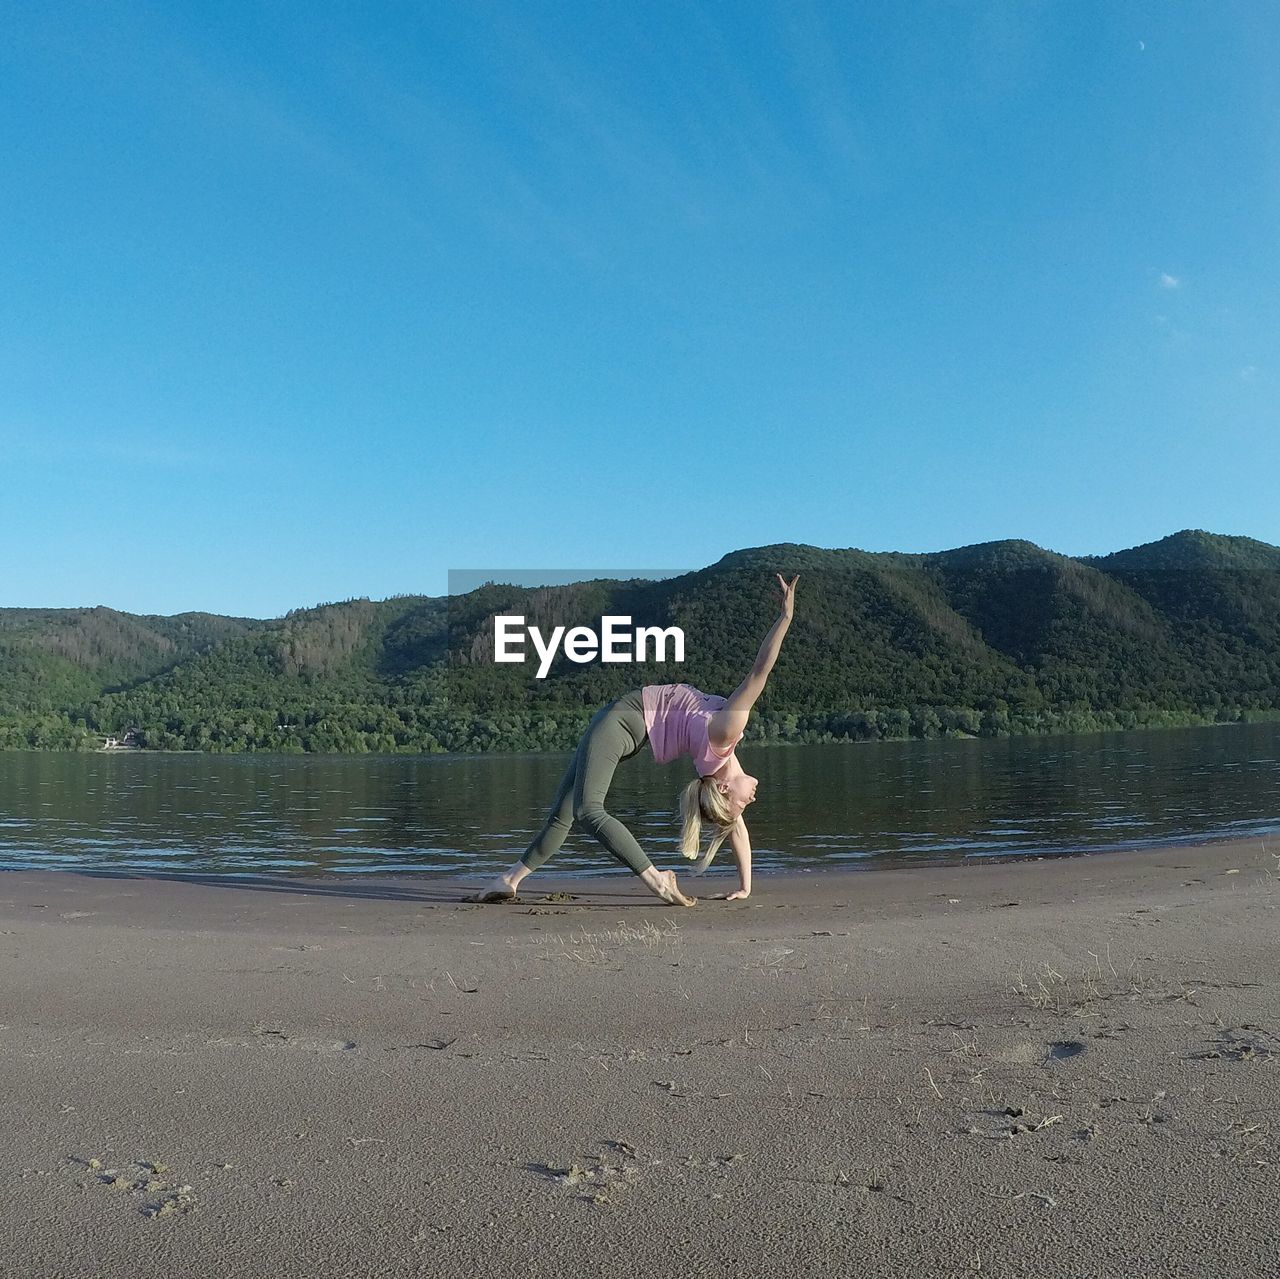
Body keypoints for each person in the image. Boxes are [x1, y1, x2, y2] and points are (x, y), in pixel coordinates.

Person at [470, 573, 798, 906]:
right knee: (573, 812)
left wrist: (746, 887)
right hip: (620, 725)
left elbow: (736, 828)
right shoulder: (724, 744)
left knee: (577, 811)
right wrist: (785, 618)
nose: (752, 801)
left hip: (620, 725)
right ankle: (516, 880)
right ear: (726, 789)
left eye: (744, 804)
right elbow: (760, 672)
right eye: (743, 805)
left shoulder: (719, 755)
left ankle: (517, 879)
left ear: (724, 789)